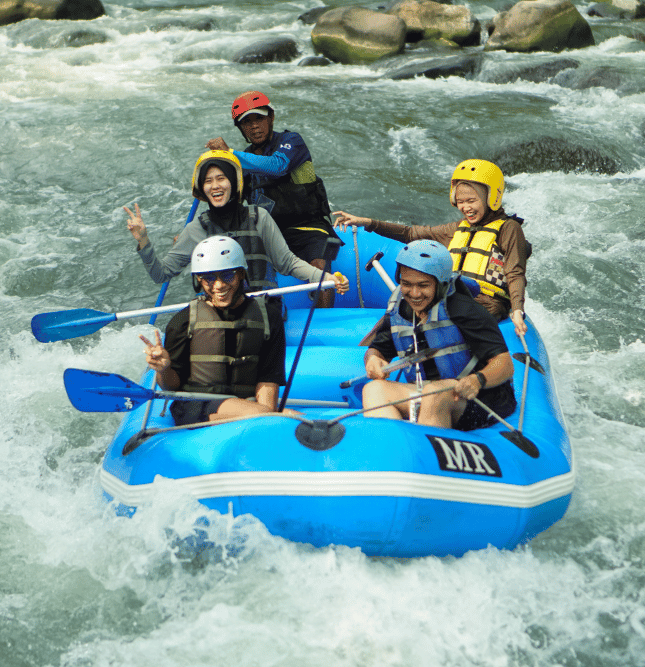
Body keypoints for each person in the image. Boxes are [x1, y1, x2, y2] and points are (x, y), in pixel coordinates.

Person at [333, 159, 529, 336]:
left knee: (438, 319)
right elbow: (410, 234)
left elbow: (515, 272)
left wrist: (518, 310)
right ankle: (369, 355)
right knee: (400, 307)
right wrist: (366, 222)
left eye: (471, 201)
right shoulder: (457, 228)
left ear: (491, 197)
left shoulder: (508, 229)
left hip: (487, 303)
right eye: (460, 202)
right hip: (452, 296)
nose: (465, 207)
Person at [124, 149, 348, 300]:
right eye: (208, 181)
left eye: (221, 178)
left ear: (234, 182)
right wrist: (144, 241)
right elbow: (161, 274)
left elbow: (287, 263)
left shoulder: (259, 218)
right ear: (202, 188)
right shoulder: (196, 229)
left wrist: (325, 278)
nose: (215, 186)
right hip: (218, 315)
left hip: (261, 311)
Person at [205, 90, 342, 308]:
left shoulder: (291, 141)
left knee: (318, 263)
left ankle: (321, 319)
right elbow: (230, 205)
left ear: (271, 118)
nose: (254, 126)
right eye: (246, 123)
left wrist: (230, 154)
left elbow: (277, 166)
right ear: (241, 129)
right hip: (271, 232)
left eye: (259, 118)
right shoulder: (242, 161)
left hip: (308, 226)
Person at [361, 240, 516, 430]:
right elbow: (377, 349)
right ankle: (397, 449)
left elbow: (505, 364)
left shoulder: (464, 310)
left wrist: (477, 380)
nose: (414, 293)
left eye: (423, 285)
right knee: (374, 389)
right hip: (428, 392)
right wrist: (373, 360)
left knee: (434, 393)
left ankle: (430, 452)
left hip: (478, 399)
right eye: (406, 284)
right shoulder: (400, 311)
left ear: (440, 284)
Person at [140, 236, 289, 425]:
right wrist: (164, 368)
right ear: (199, 281)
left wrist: (268, 414)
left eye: (227, 275)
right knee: (277, 416)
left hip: (247, 405)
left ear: (242, 274)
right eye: (209, 278)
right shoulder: (183, 321)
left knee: (292, 418)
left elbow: (269, 377)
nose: (219, 285)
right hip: (196, 405)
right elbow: (172, 386)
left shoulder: (268, 316)